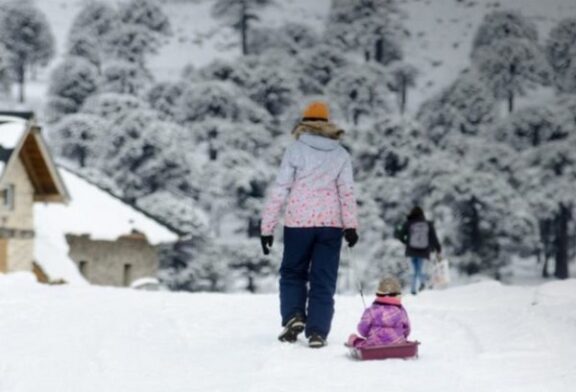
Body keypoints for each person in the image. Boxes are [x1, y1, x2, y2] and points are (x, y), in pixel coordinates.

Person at [260, 101, 359, 348]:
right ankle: (317, 332)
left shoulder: (295, 150)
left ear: (305, 123)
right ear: (327, 124)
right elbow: (346, 192)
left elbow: (281, 188)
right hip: (330, 224)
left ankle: (294, 316)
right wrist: (351, 226)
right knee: (323, 278)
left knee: (293, 272)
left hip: (298, 223)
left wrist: (267, 227)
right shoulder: (341, 154)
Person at [346, 276, 410, 348]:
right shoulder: (401, 311)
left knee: (354, 339)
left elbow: (362, 330)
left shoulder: (371, 311)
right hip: (398, 343)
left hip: (374, 345)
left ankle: (354, 341)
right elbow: (407, 330)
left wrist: (369, 334)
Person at [395, 206, 442, 295]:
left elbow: (400, 234)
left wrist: (406, 241)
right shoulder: (428, 224)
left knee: (412, 271)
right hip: (424, 251)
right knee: (422, 270)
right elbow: (433, 238)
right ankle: (422, 286)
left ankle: (413, 290)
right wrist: (438, 248)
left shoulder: (408, 223)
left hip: (410, 251)